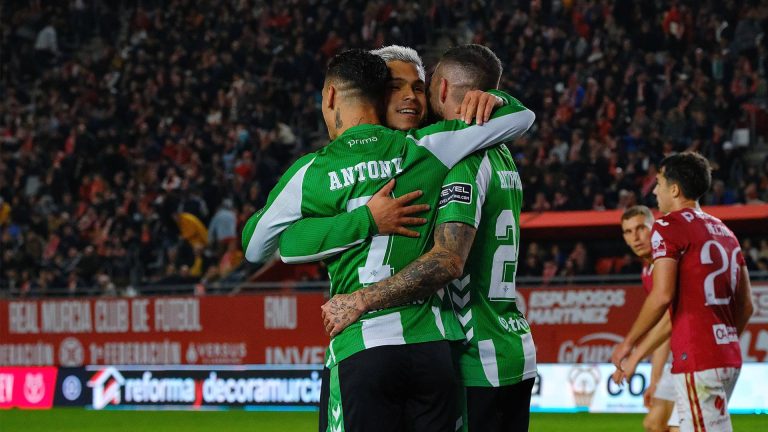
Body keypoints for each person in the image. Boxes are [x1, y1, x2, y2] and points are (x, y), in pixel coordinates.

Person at [241, 49, 535, 432]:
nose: (412, 97)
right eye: (397, 87)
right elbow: (522, 117)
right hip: (437, 349)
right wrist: (368, 219)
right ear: (374, 95)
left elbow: (263, 245)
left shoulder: (317, 170)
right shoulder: (430, 150)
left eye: (419, 87)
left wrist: (491, 96)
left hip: (365, 344)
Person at [611, 152, 754, 432]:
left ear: (674, 189)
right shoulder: (725, 231)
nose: (655, 190)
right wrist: (721, 342)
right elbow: (746, 306)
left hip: (698, 357)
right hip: (728, 356)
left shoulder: (668, 225)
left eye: (660, 183)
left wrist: (628, 345)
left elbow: (663, 296)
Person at [616, 205, 679, 432]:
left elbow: (670, 322)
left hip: (699, 355)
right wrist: (655, 380)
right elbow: (663, 333)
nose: (636, 237)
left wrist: (634, 355)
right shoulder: (648, 272)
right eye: (628, 232)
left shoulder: (669, 263)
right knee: (655, 424)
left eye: (642, 228)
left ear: (655, 229)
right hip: (680, 359)